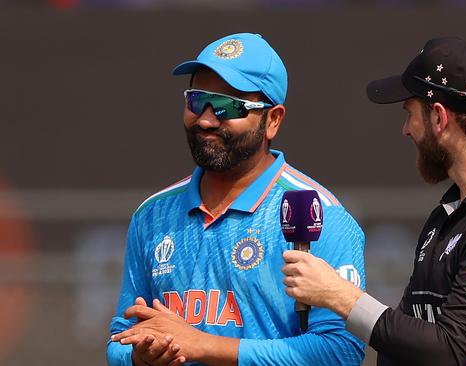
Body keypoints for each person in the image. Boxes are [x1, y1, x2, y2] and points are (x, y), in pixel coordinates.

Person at [282, 37, 466, 365]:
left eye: (409, 113)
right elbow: (399, 351)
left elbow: (444, 351)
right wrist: (443, 351)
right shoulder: (447, 216)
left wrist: (340, 296)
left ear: (439, 118)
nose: (405, 130)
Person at [106, 33, 367, 365]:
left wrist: (202, 345)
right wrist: (141, 355)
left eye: (228, 106)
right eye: (196, 101)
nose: (205, 120)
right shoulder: (152, 215)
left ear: (272, 120)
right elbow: (119, 338)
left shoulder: (318, 213)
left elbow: (341, 352)